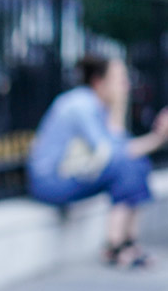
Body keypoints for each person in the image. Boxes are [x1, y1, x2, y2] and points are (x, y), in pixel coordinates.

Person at [28, 55, 168, 266]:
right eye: (120, 80)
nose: (126, 86)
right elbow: (112, 154)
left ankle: (126, 242)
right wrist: (157, 138)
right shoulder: (81, 105)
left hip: (71, 175)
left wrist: (119, 108)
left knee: (138, 164)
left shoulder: (97, 105)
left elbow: (120, 146)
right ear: (99, 82)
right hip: (51, 181)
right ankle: (115, 245)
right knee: (127, 166)